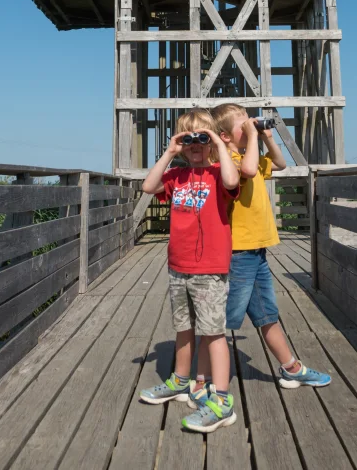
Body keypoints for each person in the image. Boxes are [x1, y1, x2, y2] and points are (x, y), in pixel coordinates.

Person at [189, 103, 331, 407]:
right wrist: (252, 138)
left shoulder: (250, 152)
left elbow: (278, 164)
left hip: (256, 252)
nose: (250, 127)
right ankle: (200, 380)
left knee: (267, 314)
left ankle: (291, 368)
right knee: (217, 321)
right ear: (225, 137)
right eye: (244, 124)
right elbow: (250, 169)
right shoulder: (230, 161)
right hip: (238, 253)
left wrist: (266, 137)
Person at [139, 109, 239, 433]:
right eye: (189, 138)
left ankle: (221, 400)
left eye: (202, 138)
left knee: (213, 332)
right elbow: (147, 186)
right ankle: (181, 380)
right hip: (178, 266)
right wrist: (170, 151)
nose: (195, 144)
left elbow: (232, 181)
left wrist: (218, 146)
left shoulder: (216, 173)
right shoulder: (175, 177)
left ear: (210, 141)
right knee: (183, 327)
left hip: (210, 268)